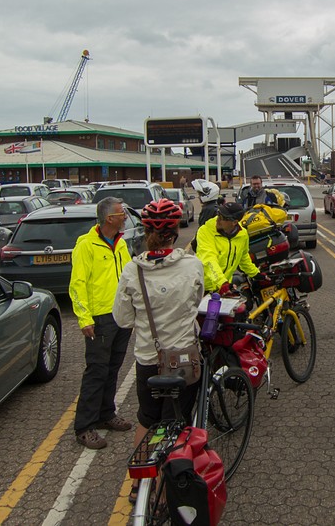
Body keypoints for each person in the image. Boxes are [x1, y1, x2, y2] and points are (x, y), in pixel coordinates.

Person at [112, 198, 204, 503]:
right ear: (176, 230)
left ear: (146, 230)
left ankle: (139, 486)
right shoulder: (192, 265)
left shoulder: (132, 270)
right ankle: (165, 496)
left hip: (149, 360)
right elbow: (196, 301)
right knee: (176, 425)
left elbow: (122, 319)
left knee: (147, 419)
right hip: (183, 360)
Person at [69, 197, 134, 450]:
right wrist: (85, 318)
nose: (125, 216)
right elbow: (77, 285)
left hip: (121, 316)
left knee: (113, 368)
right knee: (96, 372)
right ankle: (84, 427)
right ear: (109, 219)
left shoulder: (120, 243)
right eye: (121, 213)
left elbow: (129, 276)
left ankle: (106, 414)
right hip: (100, 319)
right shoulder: (86, 246)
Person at [195, 201, 261, 294]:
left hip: (224, 287)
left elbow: (243, 257)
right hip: (202, 288)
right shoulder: (205, 231)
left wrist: (256, 274)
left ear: (234, 222)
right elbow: (208, 258)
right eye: (218, 214)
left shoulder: (242, 234)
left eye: (222, 218)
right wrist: (222, 283)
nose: (218, 219)